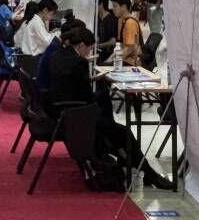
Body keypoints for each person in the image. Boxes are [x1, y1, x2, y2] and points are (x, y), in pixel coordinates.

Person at [45, 25, 169, 188]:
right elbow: (86, 96)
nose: (88, 53)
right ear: (81, 45)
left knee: (116, 130)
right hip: (78, 116)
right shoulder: (78, 62)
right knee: (122, 132)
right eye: (89, 49)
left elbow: (74, 86)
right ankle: (148, 172)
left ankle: (142, 169)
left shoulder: (56, 56)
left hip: (62, 112)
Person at [111, 0, 143, 67]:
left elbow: (129, 48)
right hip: (124, 60)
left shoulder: (130, 23)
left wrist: (113, 63)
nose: (113, 9)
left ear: (124, 7)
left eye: (115, 6)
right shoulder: (122, 21)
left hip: (131, 63)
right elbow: (120, 46)